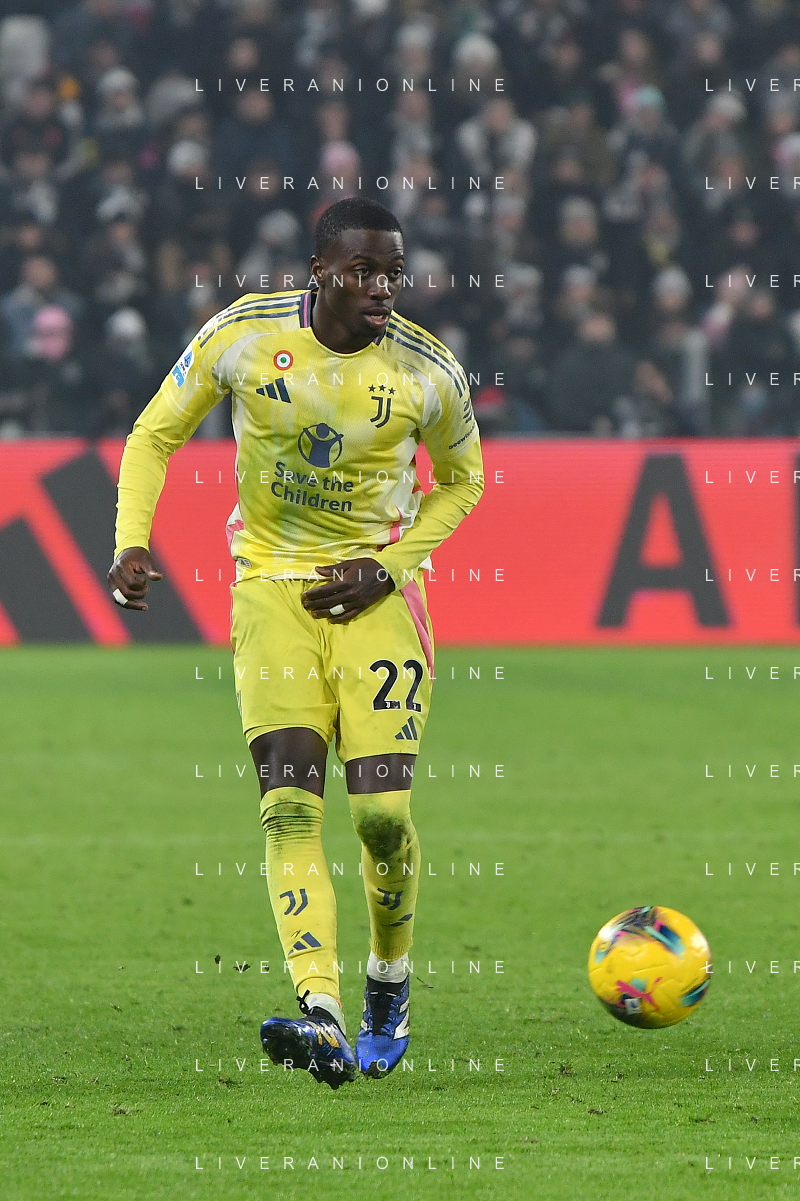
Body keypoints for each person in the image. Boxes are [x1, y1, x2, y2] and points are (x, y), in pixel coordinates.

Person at [107, 197, 483, 1087]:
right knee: (287, 806)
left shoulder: (426, 369)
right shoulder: (244, 333)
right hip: (270, 590)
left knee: (382, 819)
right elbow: (155, 433)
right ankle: (322, 1012)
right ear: (320, 272)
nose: (383, 288)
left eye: (394, 272)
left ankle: (388, 981)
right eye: (364, 271)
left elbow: (464, 479)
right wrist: (130, 539)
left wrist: (389, 566)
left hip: (377, 597)